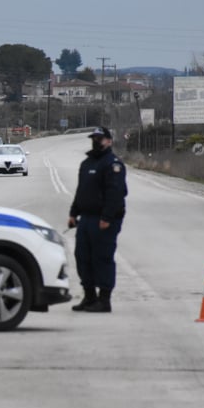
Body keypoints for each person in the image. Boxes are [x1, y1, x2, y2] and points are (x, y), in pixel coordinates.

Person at [67, 126, 127, 312]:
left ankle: (104, 299)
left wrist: (107, 217)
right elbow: (81, 191)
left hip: (104, 220)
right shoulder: (87, 164)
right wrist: (73, 213)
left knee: (102, 257)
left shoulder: (113, 164)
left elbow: (115, 193)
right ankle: (89, 296)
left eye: (99, 138)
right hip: (86, 218)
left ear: (109, 141)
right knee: (82, 257)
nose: (96, 141)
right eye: (94, 138)